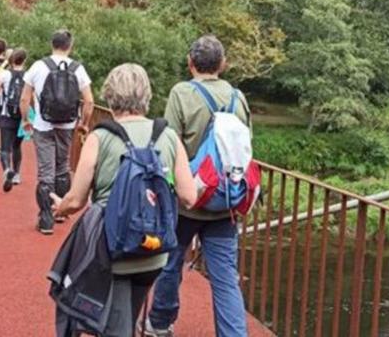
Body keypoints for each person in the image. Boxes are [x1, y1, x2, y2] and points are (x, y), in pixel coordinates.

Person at [51, 63, 197, 333]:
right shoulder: (168, 136)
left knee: (114, 326)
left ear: (110, 95)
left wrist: (60, 208)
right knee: (126, 319)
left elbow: (76, 200)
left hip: (113, 250)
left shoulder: (100, 137)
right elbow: (189, 196)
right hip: (154, 251)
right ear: (146, 95)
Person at [144, 35, 251, 337]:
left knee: (171, 263)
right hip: (225, 200)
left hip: (187, 199)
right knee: (226, 278)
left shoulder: (182, 93)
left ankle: (160, 323)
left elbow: (168, 145)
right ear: (223, 64)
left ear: (190, 63)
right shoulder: (237, 97)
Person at [20, 29, 94, 235]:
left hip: (43, 126)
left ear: (52, 44)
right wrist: (84, 123)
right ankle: (60, 211)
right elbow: (89, 101)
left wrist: (26, 119)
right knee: (62, 168)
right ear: (70, 46)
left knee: (46, 172)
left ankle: (45, 219)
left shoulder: (38, 66)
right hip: (67, 126)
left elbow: (24, 98)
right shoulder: (78, 69)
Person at [0, 48, 29, 192]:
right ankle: (17, 174)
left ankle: (7, 170)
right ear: (24, 60)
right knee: (17, 146)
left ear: (11, 60)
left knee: (5, 147)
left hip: (6, 114)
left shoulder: (5, 74)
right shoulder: (29, 75)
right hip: (23, 116)